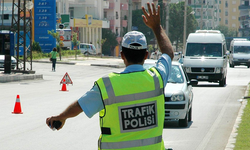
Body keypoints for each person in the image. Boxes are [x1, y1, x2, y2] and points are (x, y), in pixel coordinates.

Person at [46, 2, 174, 150]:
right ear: (146, 55)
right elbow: (168, 54)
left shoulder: (107, 86)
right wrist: (157, 28)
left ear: (122, 55)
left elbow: (80, 105)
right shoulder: (157, 78)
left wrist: (61, 117)